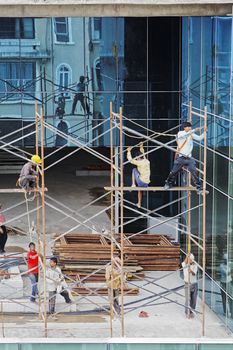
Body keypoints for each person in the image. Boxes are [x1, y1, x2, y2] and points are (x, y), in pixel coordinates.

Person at [164, 122, 207, 194]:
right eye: (188, 127)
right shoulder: (180, 133)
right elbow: (185, 135)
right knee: (173, 172)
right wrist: (194, 130)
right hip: (180, 157)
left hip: (189, 158)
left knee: (194, 172)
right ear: (184, 128)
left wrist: (205, 132)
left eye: (190, 127)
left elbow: (199, 138)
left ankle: (199, 188)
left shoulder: (191, 134)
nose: (190, 128)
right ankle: (168, 184)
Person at [127, 142, 151, 208]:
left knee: (134, 170)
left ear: (138, 157)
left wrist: (129, 151)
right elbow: (143, 154)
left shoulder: (139, 162)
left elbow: (130, 160)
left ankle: (133, 184)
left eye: (137, 158)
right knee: (140, 190)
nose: (136, 159)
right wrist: (141, 147)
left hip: (141, 182)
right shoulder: (147, 161)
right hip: (146, 183)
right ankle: (139, 203)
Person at [182, 253, 198, 319]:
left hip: (194, 283)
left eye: (192, 260)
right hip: (187, 283)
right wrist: (188, 256)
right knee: (188, 299)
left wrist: (191, 271)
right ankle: (187, 312)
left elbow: (194, 274)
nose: (192, 261)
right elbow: (185, 261)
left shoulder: (195, 265)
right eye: (191, 260)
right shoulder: (184, 264)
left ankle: (192, 312)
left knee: (194, 299)